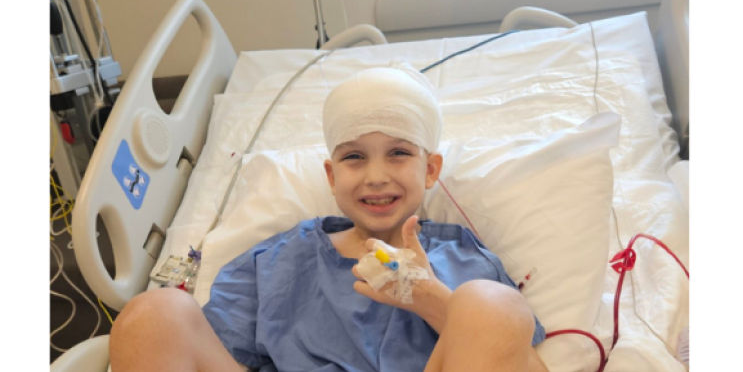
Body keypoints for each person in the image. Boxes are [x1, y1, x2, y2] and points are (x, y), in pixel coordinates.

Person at [110, 60, 549, 372]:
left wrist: (432, 300)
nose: (376, 177)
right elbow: (209, 351)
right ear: (332, 176)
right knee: (155, 313)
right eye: (354, 157)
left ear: (430, 169)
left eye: (398, 153)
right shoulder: (281, 260)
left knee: (493, 305)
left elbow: (516, 358)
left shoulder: (461, 258)